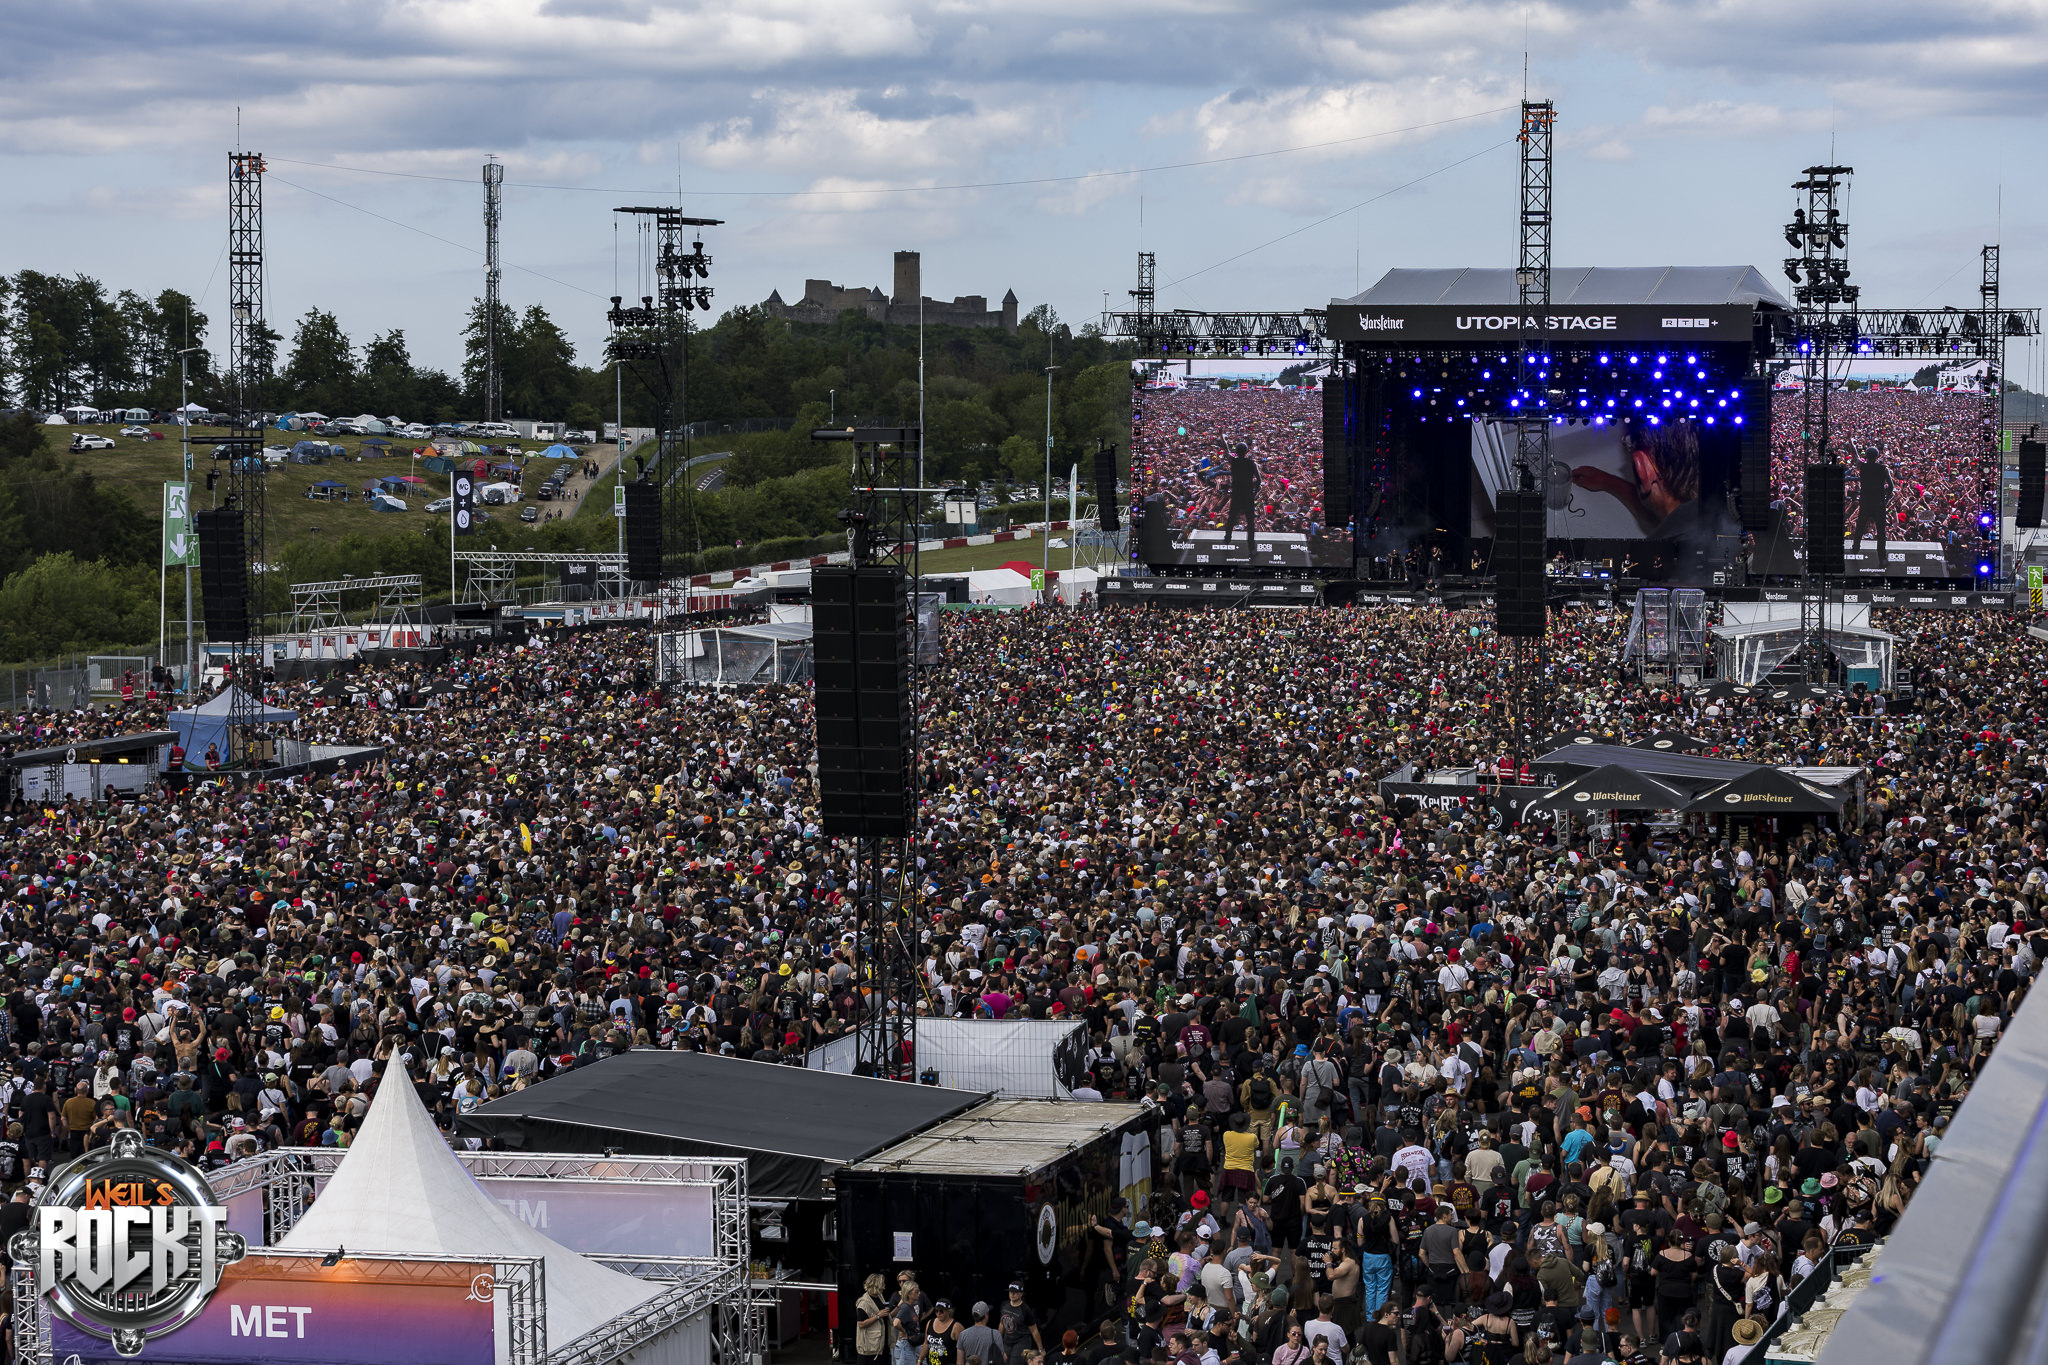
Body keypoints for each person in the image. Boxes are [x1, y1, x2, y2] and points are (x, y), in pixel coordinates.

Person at [856, 1274, 893, 1365]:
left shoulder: (879, 1296)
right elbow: (861, 1324)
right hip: (870, 1347)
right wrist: (878, 1316)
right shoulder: (863, 1303)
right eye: (882, 1285)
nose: (884, 1287)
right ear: (876, 1286)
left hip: (881, 1344)